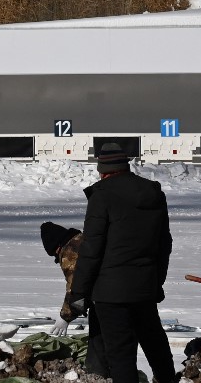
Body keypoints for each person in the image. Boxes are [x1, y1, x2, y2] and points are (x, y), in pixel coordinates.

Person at [68, 143, 177, 383]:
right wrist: (155, 282)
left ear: (102, 169)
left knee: (120, 354)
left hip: (111, 293)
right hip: (145, 287)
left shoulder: (102, 196)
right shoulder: (153, 193)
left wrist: (78, 294)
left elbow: (91, 249)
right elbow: (164, 244)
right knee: (155, 345)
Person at [40, 222, 108, 377]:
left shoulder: (69, 252)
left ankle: (99, 375)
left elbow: (77, 288)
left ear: (57, 247)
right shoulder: (83, 239)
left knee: (99, 340)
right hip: (123, 289)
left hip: (106, 298)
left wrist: (66, 316)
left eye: (55, 255)